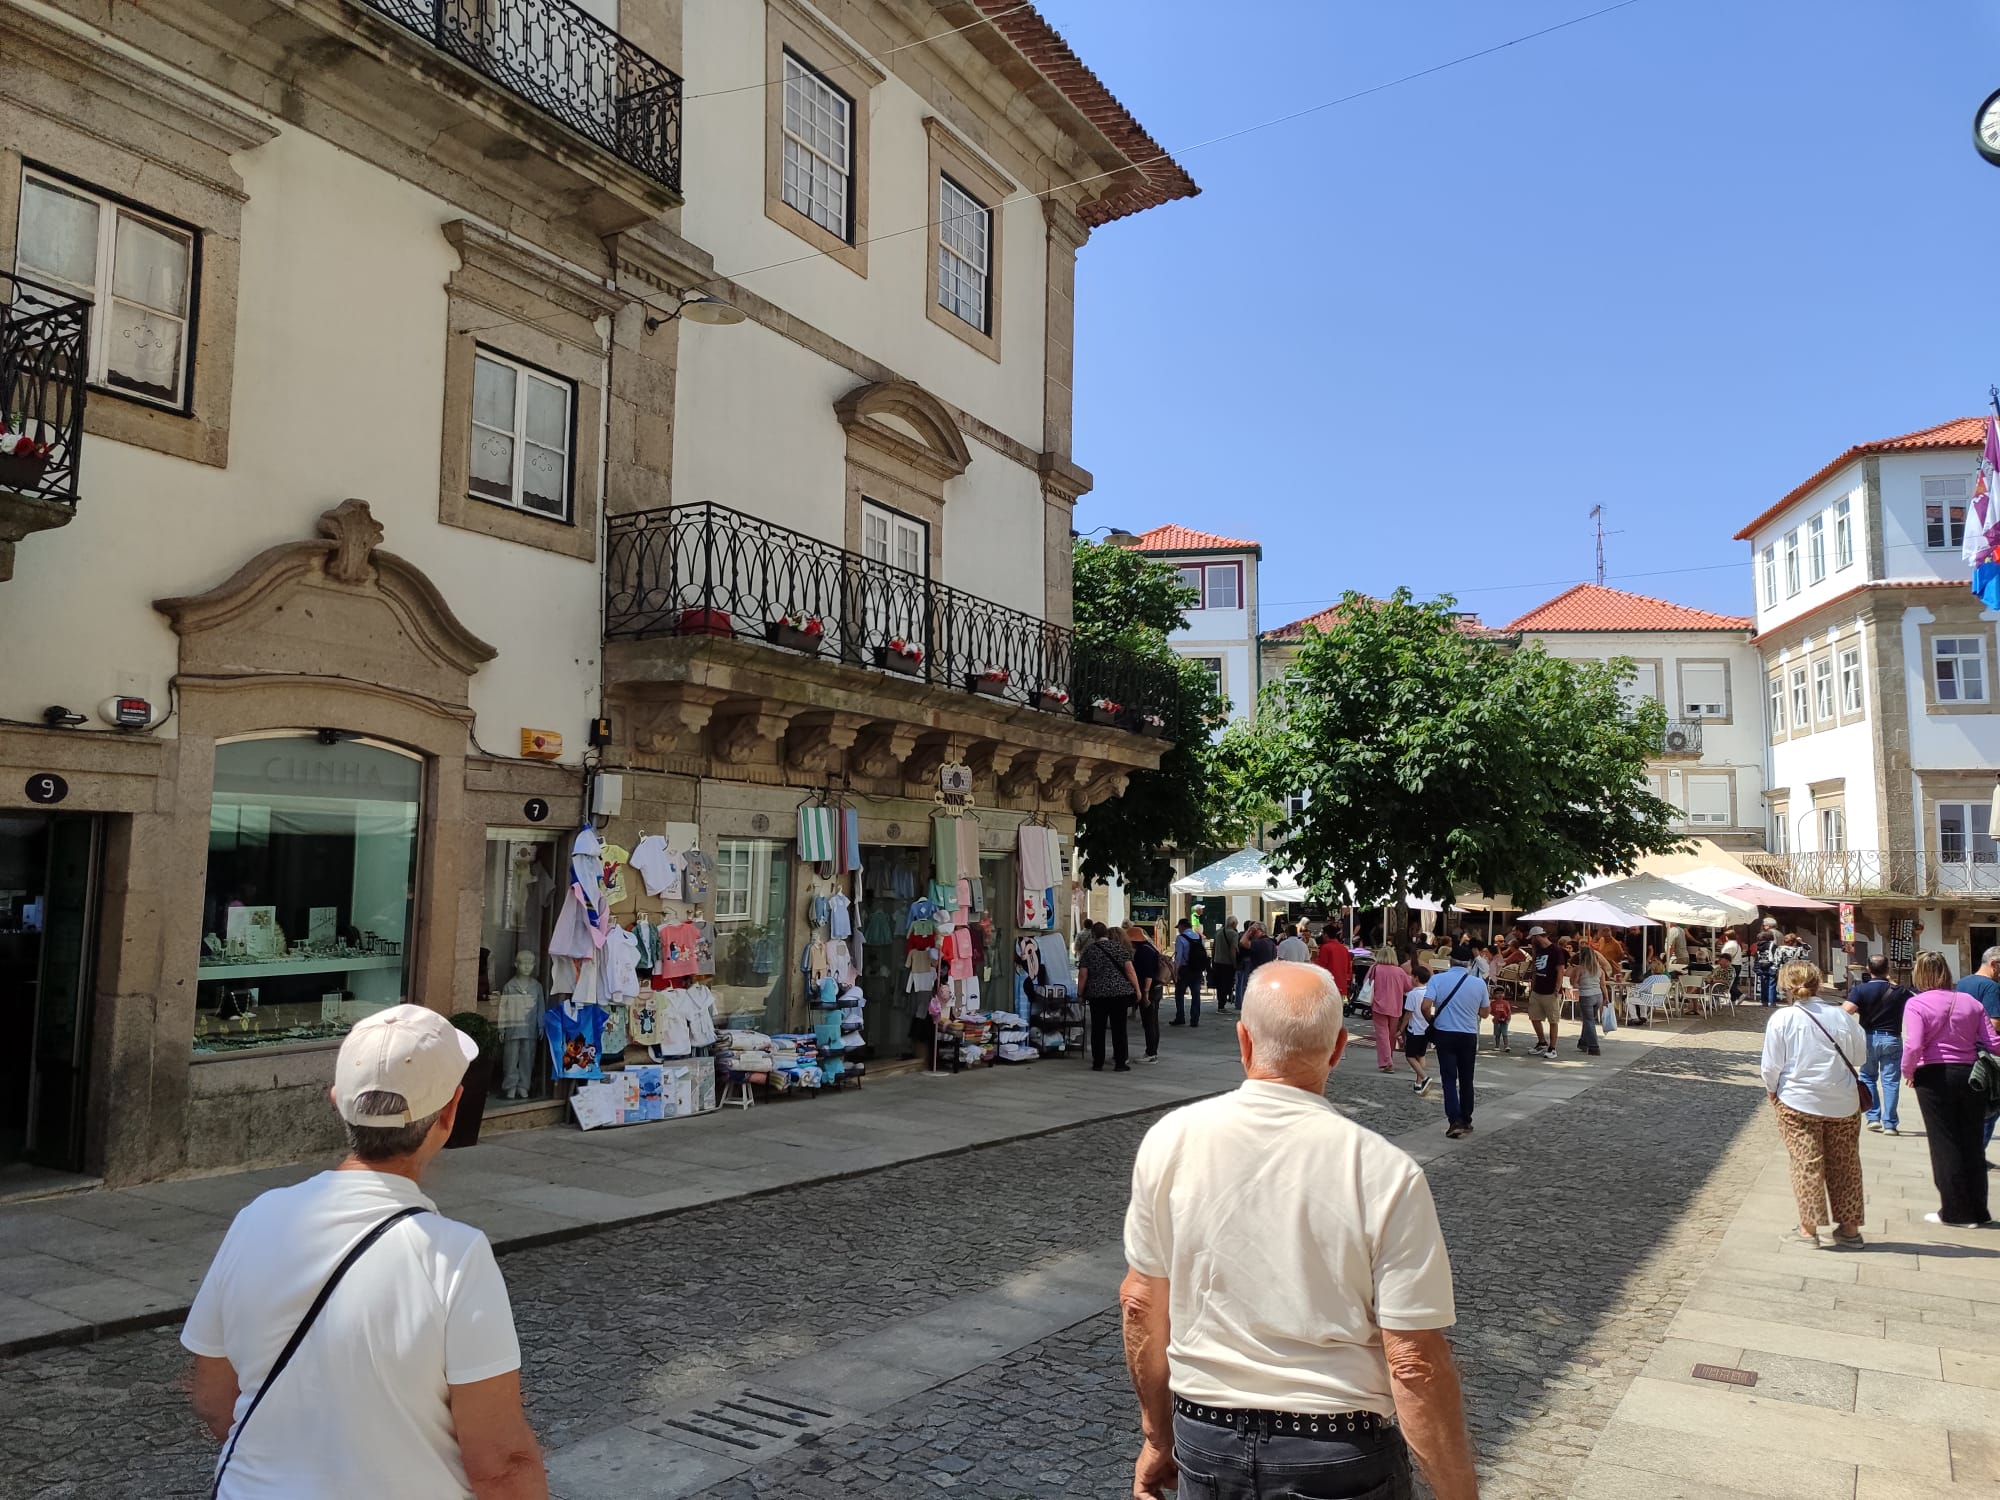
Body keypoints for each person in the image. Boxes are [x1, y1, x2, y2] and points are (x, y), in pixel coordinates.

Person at [1119, 961, 1478, 1500]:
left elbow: (1140, 1302)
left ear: (1243, 1041)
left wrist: (1157, 1435)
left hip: (1207, 1435)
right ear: (1338, 1049)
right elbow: (1413, 1360)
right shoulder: (1383, 1170)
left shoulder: (1170, 1141)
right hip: (1338, 1448)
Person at [182, 1005, 546, 1499]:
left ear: (337, 1102)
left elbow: (213, 1398)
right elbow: (499, 1463)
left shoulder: (255, 1219)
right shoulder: (455, 1258)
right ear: (450, 1113)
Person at [1760, 960, 1867, 1247]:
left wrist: (1772, 1091)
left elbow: (1771, 1066)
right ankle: (1849, 1229)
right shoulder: (1842, 1016)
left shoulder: (1783, 1019)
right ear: (1818, 984)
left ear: (1787, 987)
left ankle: (1808, 1229)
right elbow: (1859, 1057)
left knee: (1806, 1163)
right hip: (1843, 1101)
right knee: (1846, 1164)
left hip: (1799, 1100)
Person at [1901, 951, 1997, 1227]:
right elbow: (1993, 1042)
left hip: (1934, 1076)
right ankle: (1978, 1210)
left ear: (1919, 974)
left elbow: (1913, 1044)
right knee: (1972, 1143)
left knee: (1944, 1142)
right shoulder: (1970, 1002)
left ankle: (1955, 1212)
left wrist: (1908, 1070)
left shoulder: (1916, 1003)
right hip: (1971, 1075)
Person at [1421, 953, 1489, 1139]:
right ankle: (1466, 1118)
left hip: (1445, 1033)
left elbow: (1425, 1006)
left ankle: (1454, 1120)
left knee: (1449, 1079)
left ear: (1450, 961)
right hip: (1468, 1034)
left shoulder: (1437, 979)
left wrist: (1432, 1021)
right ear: (1468, 963)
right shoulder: (1479, 983)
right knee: (1467, 1079)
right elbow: (1485, 1013)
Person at [1843, 954, 1911, 1136]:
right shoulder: (1899, 991)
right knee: (1891, 1081)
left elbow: (1845, 1011)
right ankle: (1890, 1123)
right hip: (1892, 1038)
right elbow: (1915, 1005)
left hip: (1868, 1038)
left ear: (1868, 969)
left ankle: (1873, 1117)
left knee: (1867, 1076)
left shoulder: (1860, 989)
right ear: (1888, 969)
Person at [1955, 946, 2000, 1161]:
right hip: (1987, 1053)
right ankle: (1974, 1156)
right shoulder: (1992, 987)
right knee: (1991, 1107)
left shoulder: (1963, 982)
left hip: (1964, 1049)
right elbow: (1994, 1023)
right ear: (1994, 964)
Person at [1078, 921, 1141, 1073]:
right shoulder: (1119, 948)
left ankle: (1098, 1063)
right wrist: (1137, 990)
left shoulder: (1089, 950)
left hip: (1097, 995)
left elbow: (1083, 975)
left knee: (1098, 1029)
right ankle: (1120, 1063)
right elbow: (1130, 971)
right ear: (1106, 933)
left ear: (1093, 935)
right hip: (1119, 994)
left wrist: (1080, 994)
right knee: (1119, 1028)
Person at [1367, 953, 1414, 1074]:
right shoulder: (1399, 971)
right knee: (1391, 1035)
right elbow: (1409, 987)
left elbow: (1367, 983)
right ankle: (1389, 1058)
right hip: (1395, 1007)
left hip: (1378, 1005)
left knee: (1382, 1034)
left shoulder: (1375, 968)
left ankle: (1387, 1062)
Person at [1525, 927, 1565, 1059]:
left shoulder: (1555, 950)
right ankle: (1541, 1041)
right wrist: (1532, 986)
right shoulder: (1538, 950)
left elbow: (1560, 970)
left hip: (1550, 990)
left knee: (1553, 1020)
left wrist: (1557, 988)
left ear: (1537, 937)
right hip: (1537, 989)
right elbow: (1535, 969)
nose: (1531, 941)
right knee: (1534, 1017)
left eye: (1532, 938)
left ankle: (1552, 1048)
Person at [1129, 924, 1165, 1065]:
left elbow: (1148, 974)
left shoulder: (1142, 952)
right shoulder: (1151, 948)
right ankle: (1152, 1051)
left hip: (1150, 990)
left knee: (1149, 1022)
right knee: (1153, 1021)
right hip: (1156, 988)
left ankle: (1151, 1053)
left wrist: (1145, 993)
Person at [1571, 938, 1612, 1057]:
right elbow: (1603, 985)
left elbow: (1573, 983)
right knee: (1589, 1020)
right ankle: (1583, 1043)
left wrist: (1579, 984)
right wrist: (1606, 998)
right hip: (1598, 996)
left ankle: (1594, 1047)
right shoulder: (1599, 969)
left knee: (1589, 1021)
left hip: (1586, 996)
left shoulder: (1579, 968)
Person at [1401, 964, 1433, 1095]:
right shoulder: (1429, 992)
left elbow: (1408, 1014)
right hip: (1425, 1028)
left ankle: (1424, 1077)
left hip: (1414, 1029)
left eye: (1411, 976)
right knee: (1421, 1055)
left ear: (1416, 978)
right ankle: (1418, 1083)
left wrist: (1401, 1029)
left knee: (1410, 1056)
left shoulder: (1412, 994)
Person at [1171, 917, 1209, 1028]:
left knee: (1179, 994)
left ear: (1182, 927)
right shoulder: (1198, 937)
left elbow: (1178, 957)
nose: (1178, 930)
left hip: (1185, 969)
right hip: (1197, 969)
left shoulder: (1180, 938)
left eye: (1179, 928)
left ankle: (1180, 1017)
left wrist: (1175, 971)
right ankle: (1195, 1019)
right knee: (1196, 994)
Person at [1240, 922, 1278, 1010]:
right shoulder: (1271, 943)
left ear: (1259, 931)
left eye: (1254, 931)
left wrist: (1248, 931)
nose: (1252, 934)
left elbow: (1242, 942)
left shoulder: (1260, 943)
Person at [1211, 918, 1241, 1015]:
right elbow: (1233, 950)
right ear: (1233, 923)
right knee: (1226, 984)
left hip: (1217, 962)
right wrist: (1234, 963)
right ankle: (1222, 1006)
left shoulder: (1218, 932)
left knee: (1219, 985)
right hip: (1227, 963)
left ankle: (1220, 1005)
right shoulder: (1234, 934)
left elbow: (1213, 948)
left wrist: (1213, 960)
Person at [1316, 924, 1354, 999]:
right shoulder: (1344, 949)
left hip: (1328, 987)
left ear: (1326, 935)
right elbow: (1348, 969)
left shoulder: (1325, 948)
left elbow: (1321, 967)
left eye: (1323, 934)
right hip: (1341, 986)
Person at [1754, 917, 1781, 1006]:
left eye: (1764, 925)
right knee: (1772, 984)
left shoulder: (1759, 944)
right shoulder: (1779, 934)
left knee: (1764, 984)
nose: (1763, 927)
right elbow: (1776, 952)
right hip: (1772, 965)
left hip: (1762, 965)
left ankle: (1764, 1001)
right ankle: (1772, 1002)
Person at [1719, 929, 1745, 1000]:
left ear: (1727, 937)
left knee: (1728, 982)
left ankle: (1740, 994)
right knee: (1734, 982)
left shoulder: (1729, 945)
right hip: (1738, 965)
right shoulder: (1737, 944)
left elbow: (1726, 956)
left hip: (1731, 965)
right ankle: (1733, 999)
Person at [1488, 986, 1512, 1053]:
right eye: (1497, 993)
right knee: (1497, 1034)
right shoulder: (1492, 1003)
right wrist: (1495, 1016)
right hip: (1496, 1021)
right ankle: (1497, 1046)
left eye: (1501, 993)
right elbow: (1490, 1011)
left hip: (1504, 1020)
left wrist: (1508, 1018)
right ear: (1494, 995)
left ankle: (1506, 1046)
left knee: (1505, 1034)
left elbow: (1509, 1011)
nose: (1500, 995)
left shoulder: (1506, 1002)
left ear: (1504, 994)